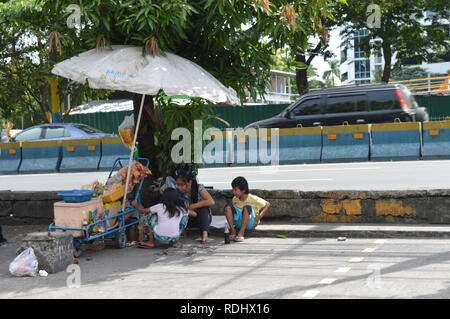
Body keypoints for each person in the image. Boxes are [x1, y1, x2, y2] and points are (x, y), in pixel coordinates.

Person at [132, 188, 197, 248]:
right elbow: (195, 214)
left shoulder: (159, 206)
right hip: (174, 237)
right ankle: (175, 242)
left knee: (150, 215)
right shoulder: (181, 209)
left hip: (159, 236)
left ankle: (151, 242)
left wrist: (136, 205)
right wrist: (185, 210)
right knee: (185, 217)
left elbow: (143, 211)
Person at [175, 168, 215, 244]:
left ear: (189, 182)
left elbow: (211, 201)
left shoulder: (199, 188)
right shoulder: (177, 192)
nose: (180, 187)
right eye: (178, 185)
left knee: (203, 207)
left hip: (202, 219)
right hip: (187, 220)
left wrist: (193, 206)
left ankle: (205, 236)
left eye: (182, 185)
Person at [224, 176, 270, 242]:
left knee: (246, 207)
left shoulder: (253, 199)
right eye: (233, 189)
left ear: (243, 190)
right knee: (227, 206)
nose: (233, 192)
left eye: (235, 189)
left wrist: (259, 216)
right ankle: (233, 231)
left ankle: (241, 233)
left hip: (250, 223)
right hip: (238, 223)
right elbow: (234, 212)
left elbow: (267, 204)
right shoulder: (235, 199)